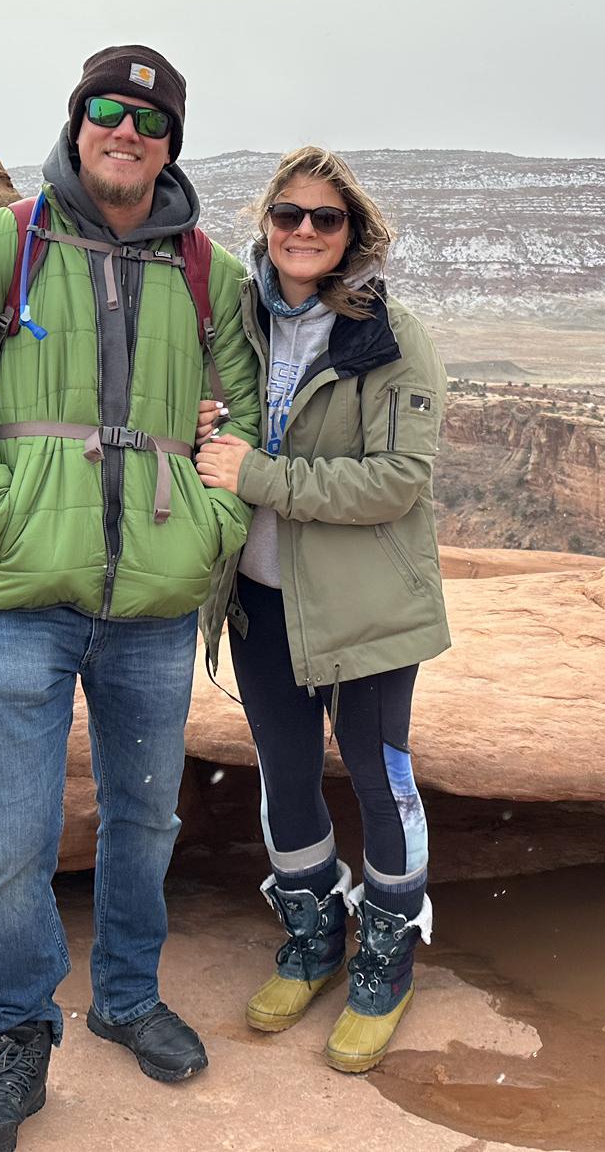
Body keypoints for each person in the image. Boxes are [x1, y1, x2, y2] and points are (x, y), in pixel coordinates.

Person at [0, 46, 261, 1152]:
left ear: (169, 143)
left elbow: (244, 427)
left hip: (152, 602)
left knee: (144, 818)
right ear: (78, 122)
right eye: (107, 110)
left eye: (149, 119)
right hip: (17, 597)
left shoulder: (209, 273)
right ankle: (16, 1038)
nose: (126, 130)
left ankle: (126, 995)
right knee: (10, 833)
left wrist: (209, 531)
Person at [194, 147, 448, 1075]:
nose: (304, 231)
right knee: (287, 775)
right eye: (288, 214)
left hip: (368, 608)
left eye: (325, 219)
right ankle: (312, 934)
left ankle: (386, 956)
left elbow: (400, 480)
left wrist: (258, 473)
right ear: (266, 224)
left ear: (353, 236)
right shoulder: (244, 322)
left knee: (382, 782)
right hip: (262, 599)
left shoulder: (390, 335)